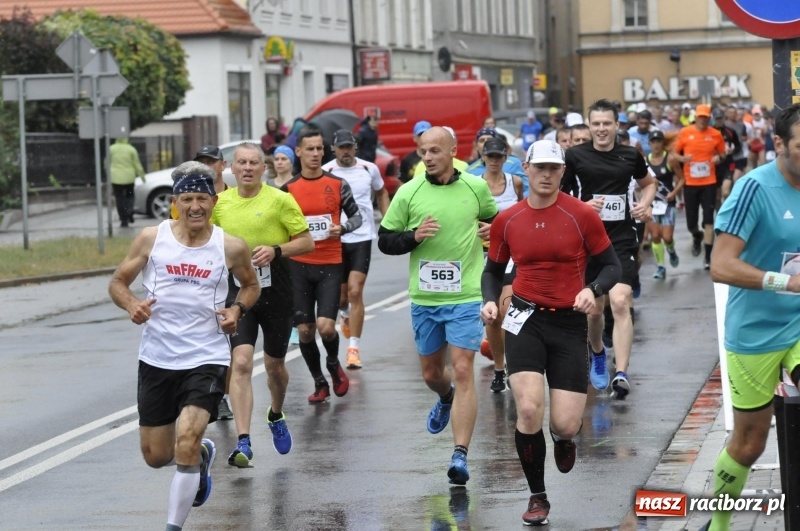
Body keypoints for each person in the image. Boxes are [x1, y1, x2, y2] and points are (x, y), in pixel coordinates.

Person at [108, 161, 260, 531]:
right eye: (187, 198)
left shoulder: (231, 246)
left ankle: (173, 526)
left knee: (188, 439)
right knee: (157, 456)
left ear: (213, 202)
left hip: (206, 356)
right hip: (157, 357)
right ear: (175, 201)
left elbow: (251, 285)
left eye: (203, 199)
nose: (195, 206)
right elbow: (117, 281)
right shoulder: (151, 238)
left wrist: (237, 309)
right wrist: (132, 304)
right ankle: (203, 458)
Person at [481, 139, 620, 526]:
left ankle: (563, 439)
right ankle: (538, 496)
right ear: (525, 168)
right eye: (539, 167)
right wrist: (490, 300)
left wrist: (593, 290)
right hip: (524, 317)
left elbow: (611, 266)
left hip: (568, 321)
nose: (545, 174)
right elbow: (492, 271)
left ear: (562, 172)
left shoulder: (581, 215)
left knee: (565, 423)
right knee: (527, 408)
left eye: (553, 168)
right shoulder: (507, 220)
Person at [378, 126, 498, 486]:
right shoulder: (409, 192)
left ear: (452, 151)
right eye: (422, 151)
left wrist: (491, 231)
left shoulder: (476, 187)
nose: (427, 157)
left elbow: (495, 221)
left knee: (463, 369)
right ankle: (444, 397)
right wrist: (412, 237)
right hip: (426, 298)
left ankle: (460, 454)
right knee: (433, 374)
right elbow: (385, 241)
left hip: (465, 295)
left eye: (434, 151)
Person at [704, 104, 800, 531]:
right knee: (748, 445)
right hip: (756, 331)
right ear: (778, 144)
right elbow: (721, 266)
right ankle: (719, 523)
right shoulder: (754, 189)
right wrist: (787, 283)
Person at [210, 142, 315, 467]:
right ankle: (244, 441)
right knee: (240, 363)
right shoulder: (221, 204)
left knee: (274, 367)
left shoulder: (280, 200)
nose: (247, 168)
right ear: (233, 167)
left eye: (253, 163)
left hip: (277, 293)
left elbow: (307, 241)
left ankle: (276, 412)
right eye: (241, 162)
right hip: (239, 294)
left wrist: (276, 250)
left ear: (263, 168)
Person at [562, 98, 656, 399]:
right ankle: (599, 353)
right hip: (587, 241)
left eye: (607, 123)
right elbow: (558, 196)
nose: (601, 129)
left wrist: (645, 203)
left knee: (620, 300)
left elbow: (649, 183)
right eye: (596, 124)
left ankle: (622, 373)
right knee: (595, 310)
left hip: (620, 238)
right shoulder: (575, 156)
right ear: (590, 126)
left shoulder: (630, 155)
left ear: (617, 125)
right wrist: (581, 206)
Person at [282, 127, 363, 403]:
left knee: (326, 327)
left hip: (330, 263)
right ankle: (319, 381)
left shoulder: (338, 184)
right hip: (298, 267)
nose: (315, 154)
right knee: (305, 330)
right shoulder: (288, 190)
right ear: (299, 151)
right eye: (310, 149)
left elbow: (357, 217)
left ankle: (332, 363)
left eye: (319, 148)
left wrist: (344, 228)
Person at [322, 129, 391, 369]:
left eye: (349, 147)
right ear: (334, 149)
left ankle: (353, 348)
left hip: (362, 237)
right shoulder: (327, 171)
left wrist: (387, 220)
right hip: (336, 238)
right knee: (341, 297)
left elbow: (381, 191)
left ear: (355, 148)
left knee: (355, 291)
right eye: (341, 147)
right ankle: (345, 315)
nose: (346, 152)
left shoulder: (368, 169)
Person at [476, 136, 523, 393]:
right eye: (490, 156)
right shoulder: (474, 185)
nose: (494, 161)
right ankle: (498, 368)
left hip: (508, 255)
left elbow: (521, 216)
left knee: (504, 311)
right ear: (483, 157)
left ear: (506, 157)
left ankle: (509, 365)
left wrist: (498, 229)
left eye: (498, 156)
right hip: (482, 257)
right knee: (491, 317)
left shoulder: (514, 183)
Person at [674, 104, 726, 269]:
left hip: (709, 182)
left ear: (709, 118)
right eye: (700, 117)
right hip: (690, 183)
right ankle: (697, 236)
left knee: (709, 220)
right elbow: (674, 153)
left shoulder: (716, 134)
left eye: (706, 117)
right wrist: (682, 159)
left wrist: (718, 158)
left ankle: (708, 257)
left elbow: (723, 154)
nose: (703, 120)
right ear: (695, 117)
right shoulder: (685, 132)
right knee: (691, 223)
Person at [646, 130, 684, 279]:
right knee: (655, 236)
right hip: (652, 204)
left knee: (667, 237)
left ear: (663, 143)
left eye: (659, 141)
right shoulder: (645, 161)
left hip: (668, 204)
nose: (656, 145)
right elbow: (640, 181)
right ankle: (661, 267)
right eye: (653, 142)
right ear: (649, 144)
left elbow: (682, 179)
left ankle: (671, 250)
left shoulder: (671, 159)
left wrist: (673, 193)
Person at [108, 137, 145, 228]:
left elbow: (106, 163)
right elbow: (137, 163)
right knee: (130, 196)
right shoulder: (131, 149)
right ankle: (130, 210)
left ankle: (123, 219)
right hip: (129, 177)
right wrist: (142, 176)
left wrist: (108, 173)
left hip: (116, 177)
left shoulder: (111, 149)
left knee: (119, 198)